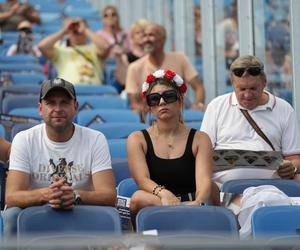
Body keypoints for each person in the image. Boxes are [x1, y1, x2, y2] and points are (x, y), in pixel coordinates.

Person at [4, 77, 116, 238]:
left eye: (64, 102)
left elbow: (109, 195)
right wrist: (47, 195)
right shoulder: (24, 139)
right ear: (40, 108)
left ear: (75, 107)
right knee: (11, 215)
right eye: (51, 103)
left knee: (109, 215)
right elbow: (12, 196)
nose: (58, 108)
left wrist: (75, 196)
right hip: (36, 213)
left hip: (81, 212)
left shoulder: (95, 139)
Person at [200, 55, 300, 201]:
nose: (247, 95)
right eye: (241, 89)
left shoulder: (284, 109)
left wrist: (292, 167)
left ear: (264, 83)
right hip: (223, 191)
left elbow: (294, 158)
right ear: (233, 85)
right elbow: (202, 156)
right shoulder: (216, 106)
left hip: (274, 189)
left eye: (253, 88)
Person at [127, 69, 213, 222]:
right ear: (150, 106)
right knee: (138, 198)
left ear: (180, 100)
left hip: (193, 203)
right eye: (154, 99)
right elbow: (142, 180)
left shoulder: (200, 139)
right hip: (157, 202)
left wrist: (197, 203)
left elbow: (204, 182)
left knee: (212, 190)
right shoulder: (137, 139)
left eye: (169, 96)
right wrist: (164, 194)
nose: (161, 102)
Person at [125, 23, 206, 118]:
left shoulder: (180, 58)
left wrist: (199, 105)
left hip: (182, 112)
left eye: (151, 35)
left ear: (162, 39)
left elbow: (198, 86)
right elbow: (134, 103)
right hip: (152, 115)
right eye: (145, 36)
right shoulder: (134, 67)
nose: (146, 39)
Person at [38, 18, 109, 85]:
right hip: (70, 93)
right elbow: (42, 46)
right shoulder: (61, 50)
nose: (76, 31)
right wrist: (64, 31)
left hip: (94, 91)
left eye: (79, 30)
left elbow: (106, 46)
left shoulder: (94, 48)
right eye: (73, 30)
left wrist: (85, 29)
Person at [115, 19, 150, 88]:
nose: (141, 35)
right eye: (137, 33)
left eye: (143, 32)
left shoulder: (152, 56)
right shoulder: (125, 57)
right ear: (132, 37)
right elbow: (122, 81)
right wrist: (119, 59)